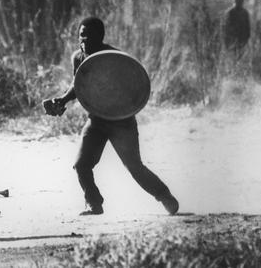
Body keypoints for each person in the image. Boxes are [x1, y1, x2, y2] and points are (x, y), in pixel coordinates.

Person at [47, 17, 179, 216]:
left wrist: (126, 110)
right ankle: (94, 203)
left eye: (88, 35)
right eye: (80, 35)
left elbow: (135, 85)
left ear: (100, 37)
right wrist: (63, 100)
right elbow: (79, 83)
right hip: (97, 120)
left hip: (121, 121)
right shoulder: (78, 57)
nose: (83, 39)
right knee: (82, 165)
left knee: (134, 167)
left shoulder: (114, 57)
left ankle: (164, 195)